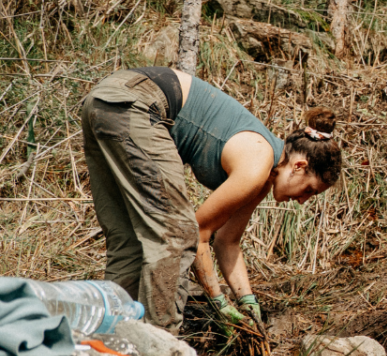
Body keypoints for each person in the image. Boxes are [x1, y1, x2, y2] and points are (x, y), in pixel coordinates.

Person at [80, 68, 341, 332]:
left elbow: (227, 241)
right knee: (176, 234)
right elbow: (199, 233)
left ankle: (110, 337)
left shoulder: (263, 176)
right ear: (299, 166)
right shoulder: (257, 164)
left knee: (129, 240)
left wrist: (247, 302)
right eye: (310, 190)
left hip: (105, 102)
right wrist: (218, 302)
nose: (303, 201)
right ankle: (159, 345)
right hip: (137, 103)